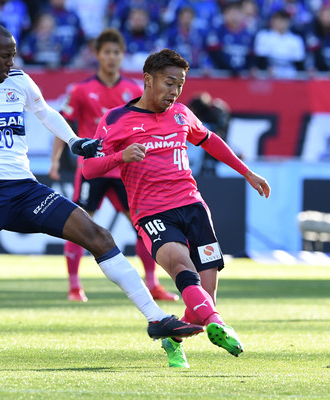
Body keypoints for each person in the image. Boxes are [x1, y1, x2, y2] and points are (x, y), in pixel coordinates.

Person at [0, 25, 203, 365]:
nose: (11, 61)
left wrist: (75, 142)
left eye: (14, 54)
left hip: (27, 190)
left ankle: (156, 319)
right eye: (5, 56)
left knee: (97, 235)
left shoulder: (19, 81)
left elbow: (46, 113)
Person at [83, 49, 271, 368]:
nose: (174, 92)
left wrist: (247, 172)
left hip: (194, 208)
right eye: (169, 83)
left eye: (180, 85)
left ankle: (174, 339)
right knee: (184, 271)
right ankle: (220, 324)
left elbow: (209, 140)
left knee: (202, 302)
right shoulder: (116, 120)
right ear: (148, 80)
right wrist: (120, 157)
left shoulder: (183, 114)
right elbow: (89, 169)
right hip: (153, 215)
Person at [49, 28, 178, 303]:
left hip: (126, 171)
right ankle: (74, 286)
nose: (111, 57)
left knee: (145, 226)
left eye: (116, 52)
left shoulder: (133, 90)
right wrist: (54, 161)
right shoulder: (81, 90)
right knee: (78, 225)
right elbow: (63, 125)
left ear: (122, 56)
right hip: (93, 169)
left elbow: (151, 127)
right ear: (97, 55)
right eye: (106, 51)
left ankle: (153, 283)